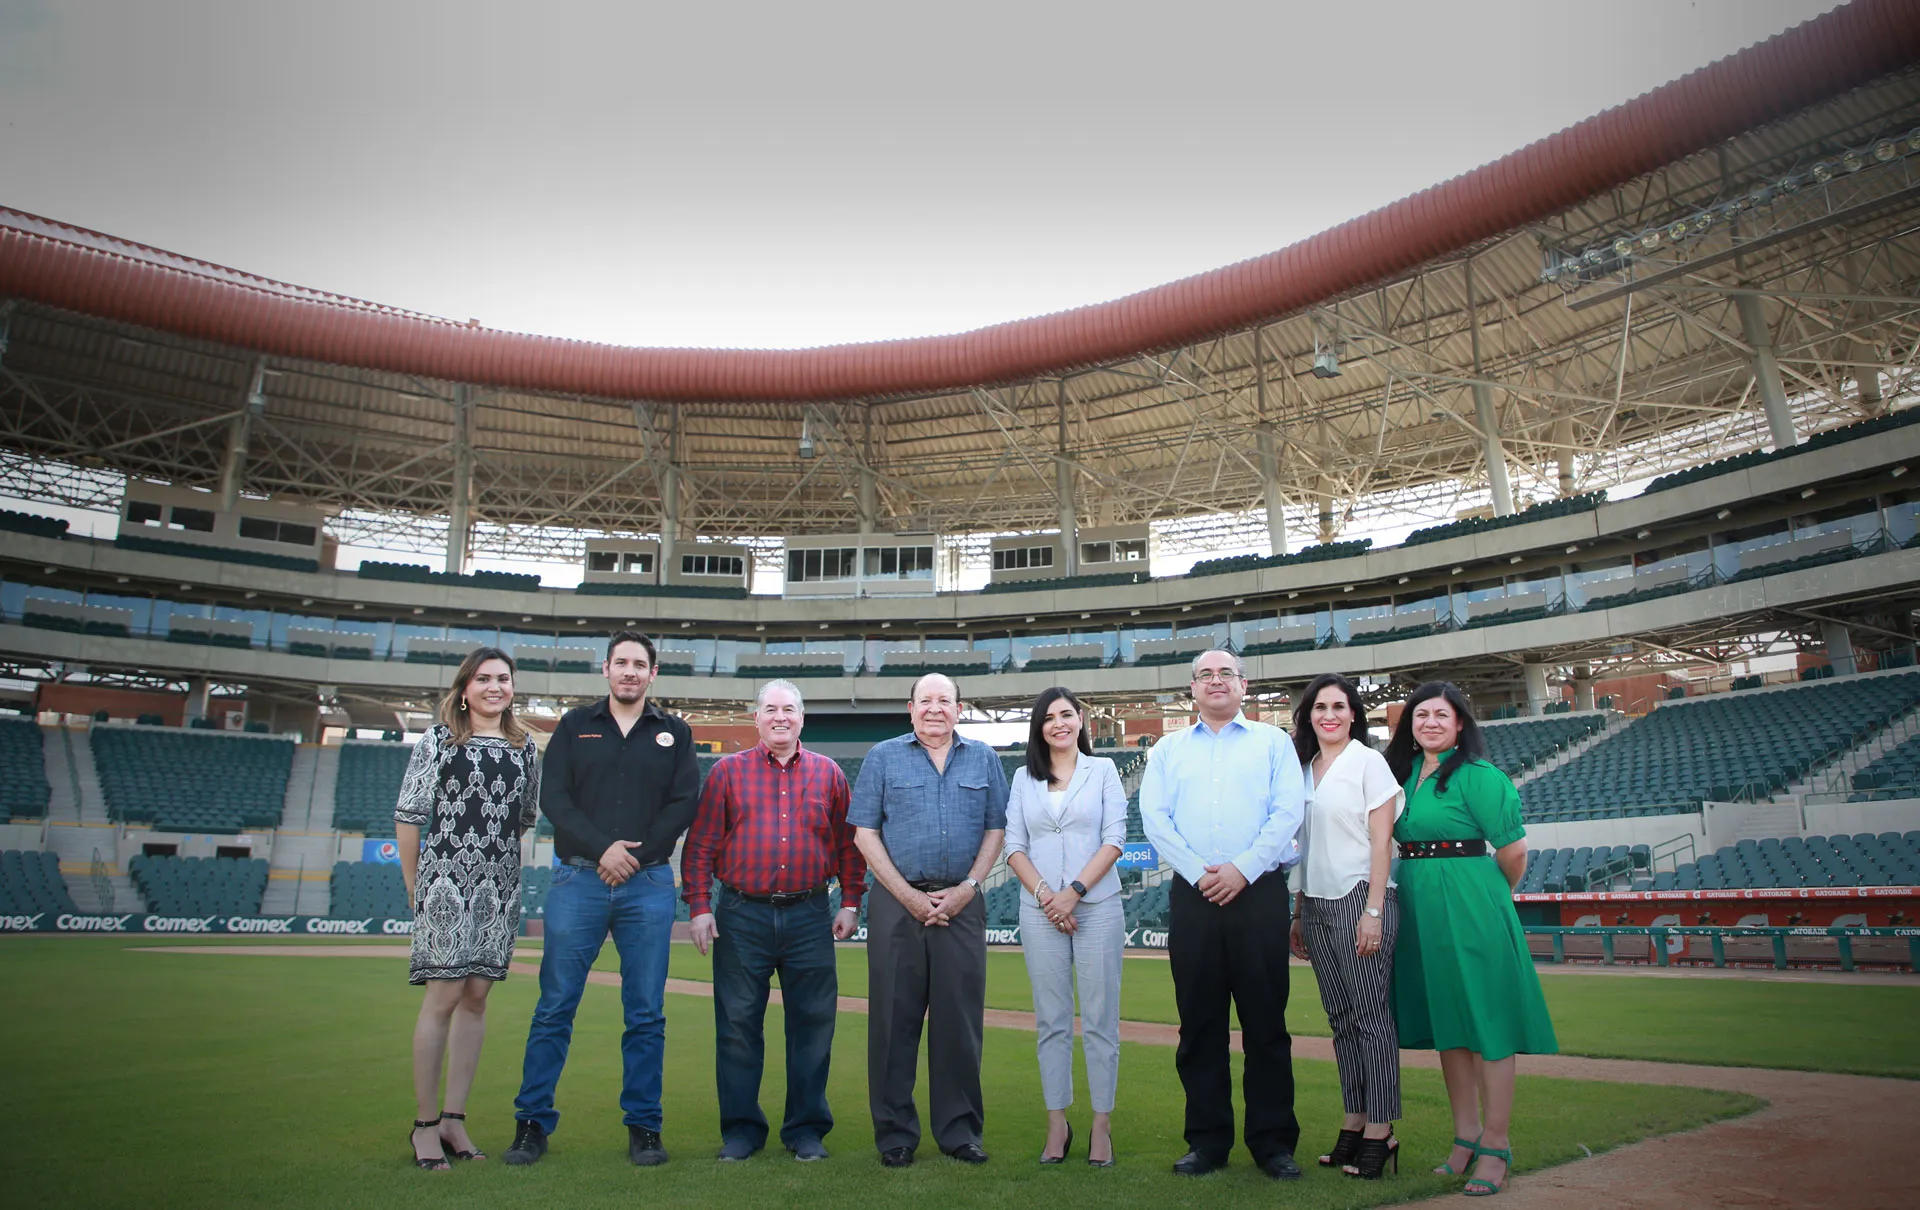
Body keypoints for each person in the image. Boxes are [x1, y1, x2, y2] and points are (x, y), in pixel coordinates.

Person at [505, 631, 701, 1169]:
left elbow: (685, 802)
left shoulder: (675, 733)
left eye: (640, 664)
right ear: (606, 670)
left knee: (645, 1013)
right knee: (554, 1007)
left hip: (649, 883)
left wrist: (632, 857)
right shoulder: (574, 726)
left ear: (653, 674)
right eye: (622, 663)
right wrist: (603, 850)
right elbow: (554, 799)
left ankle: (644, 1127)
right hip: (578, 881)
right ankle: (530, 1125)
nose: (630, 672)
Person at [1382, 681, 1558, 1198]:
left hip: (1473, 898)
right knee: (1451, 1026)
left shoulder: (1481, 776)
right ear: (1409, 726)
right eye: (1420, 715)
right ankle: (1465, 1135)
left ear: (1460, 724)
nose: (1430, 723)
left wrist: (1488, 898)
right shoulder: (1402, 775)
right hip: (1419, 902)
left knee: (1489, 1023)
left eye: (1441, 715)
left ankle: (1497, 1145)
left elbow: (1514, 853)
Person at [1139, 646, 1306, 1180]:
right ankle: (1207, 1142)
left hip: (1258, 893)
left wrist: (1243, 869)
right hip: (1194, 895)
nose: (1215, 681)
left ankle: (1273, 1142)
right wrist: (1200, 871)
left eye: (1225, 673)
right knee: (1200, 1026)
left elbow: (1288, 812)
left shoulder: (1274, 742)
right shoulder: (1167, 750)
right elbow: (1155, 818)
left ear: (1244, 684)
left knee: (1265, 1024)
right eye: (1205, 674)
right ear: (1192, 688)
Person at [682, 679, 865, 1163]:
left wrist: (850, 901)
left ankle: (805, 1129)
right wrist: (700, 906)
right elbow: (700, 845)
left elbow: (849, 847)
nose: (780, 717)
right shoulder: (726, 773)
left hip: (809, 914)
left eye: (789, 709)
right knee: (738, 1026)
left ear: (802, 718)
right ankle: (742, 1131)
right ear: (757, 718)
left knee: (813, 1026)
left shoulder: (829, 775)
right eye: (770, 709)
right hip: (742, 914)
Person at [848, 673, 1009, 1168]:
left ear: (960, 708)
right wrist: (907, 897)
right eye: (926, 700)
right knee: (893, 1022)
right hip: (898, 904)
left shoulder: (984, 758)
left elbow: (996, 829)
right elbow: (865, 834)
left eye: (945, 700)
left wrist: (968, 888)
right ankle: (895, 1133)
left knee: (959, 1022)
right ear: (910, 707)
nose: (935, 708)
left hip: (962, 904)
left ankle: (959, 1132)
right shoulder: (882, 757)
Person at [395, 646, 540, 1170]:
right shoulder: (439, 739)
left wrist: (496, 869)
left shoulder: (525, 748)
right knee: (443, 996)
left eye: (503, 678)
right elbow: (409, 814)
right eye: (484, 679)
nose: (495, 687)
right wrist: (416, 884)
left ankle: (456, 1119)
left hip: (497, 886)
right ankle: (425, 1125)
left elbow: (524, 817)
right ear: (464, 688)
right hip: (445, 882)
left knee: (477, 997)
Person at [1003, 687, 1127, 1167]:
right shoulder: (1022, 777)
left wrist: (1072, 892)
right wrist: (1046, 898)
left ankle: (1101, 1124)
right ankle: (1057, 1123)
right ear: (1038, 728)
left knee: (1100, 1021)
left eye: (1067, 714)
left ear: (1081, 721)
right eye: (1049, 717)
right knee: (1051, 1022)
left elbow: (1115, 838)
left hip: (1097, 905)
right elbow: (1015, 844)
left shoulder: (1104, 771)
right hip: (1038, 911)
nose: (1059, 723)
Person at [1286, 673, 1403, 1180]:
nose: (1328, 714)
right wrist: (1297, 913)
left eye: (1338, 705)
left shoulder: (1368, 762)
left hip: (1361, 897)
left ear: (1354, 713)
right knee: (1342, 1022)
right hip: (1314, 901)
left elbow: (1381, 844)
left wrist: (1373, 911)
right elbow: (1303, 849)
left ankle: (1381, 1130)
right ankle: (1354, 1122)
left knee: (1372, 1020)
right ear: (1308, 716)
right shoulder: (1302, 769)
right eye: (1319, 707)